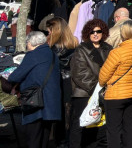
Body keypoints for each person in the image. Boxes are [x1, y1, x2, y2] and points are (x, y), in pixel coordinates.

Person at [7, 31, 62, 148]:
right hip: (51, 102)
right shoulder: (52, 55)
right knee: (44, 137)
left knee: (33, 138)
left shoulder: (33, 55)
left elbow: (15, 76)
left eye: (27, 42)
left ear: (31, 42)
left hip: (36, 102)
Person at [98, 20, 132, 148]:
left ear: (122, 33)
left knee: (113, 129)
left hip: (116, 94)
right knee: (129, 126)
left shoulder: (117, 52)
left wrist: (103, 83)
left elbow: (103, 75)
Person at [70, 18, 113, 148]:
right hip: (84, 92)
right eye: (92, 32)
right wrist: (97, 89)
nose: (95, 34)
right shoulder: (81, 49)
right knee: (80, 124)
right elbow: (80, 73)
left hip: (103, 92)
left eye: (98, 31)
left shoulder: (108, 48)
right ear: (87, 34)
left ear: (103, 32)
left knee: (98, 124)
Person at [43, 15, 78, 147]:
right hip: (71, 82)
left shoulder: (54, 48)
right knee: (69, 114)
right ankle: (67, 140)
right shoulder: (73, 44)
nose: (48, 33)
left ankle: (60, 141)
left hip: (59, 83)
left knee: (60, 115)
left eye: (49, 31)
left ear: (55, 30)